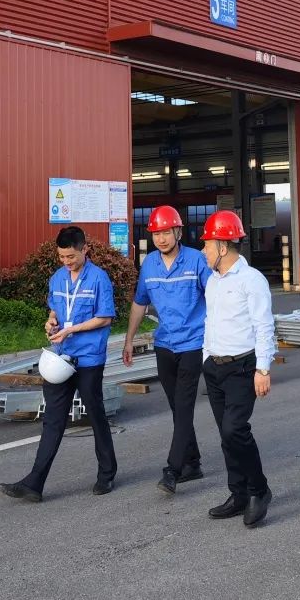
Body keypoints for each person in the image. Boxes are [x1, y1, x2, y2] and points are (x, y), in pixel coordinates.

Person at [0, 226, 117, 502]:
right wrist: (51, 322)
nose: (66, 262)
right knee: (52, 420)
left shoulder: (99, 278)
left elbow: (105, 318)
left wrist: (71, 330)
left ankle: (106, 474)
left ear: (84, 250)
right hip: (61, 358)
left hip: (88, 359)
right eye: (62, 257)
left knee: (95, 415)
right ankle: (34, 483)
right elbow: (55, 309)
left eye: (71, 256)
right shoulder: (57, 278)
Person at [123, 204, 211, 493]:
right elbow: (140, 303)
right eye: (156, 234)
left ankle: (173, 469)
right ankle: (193, 463)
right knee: (177, 407)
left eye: (166, 232)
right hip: (164, 345)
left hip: (193, 344)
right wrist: (129, 340)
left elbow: (216, 297)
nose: (161, 239)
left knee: (183, 407)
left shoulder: (196, 260)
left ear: (178, 232)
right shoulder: (149, 264)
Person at [200, 209, 275, 528]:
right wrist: (206, 356)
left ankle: (259, 490)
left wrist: (263, 369)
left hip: (243, 367)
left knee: (235, 430)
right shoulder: (212, 281)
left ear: (222, 246)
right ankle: (238, 493)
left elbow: (264, 325)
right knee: (225, 435)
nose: (203, 250)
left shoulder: (251, 280)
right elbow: (211, 321)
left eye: (207, 244)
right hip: (215, 366)